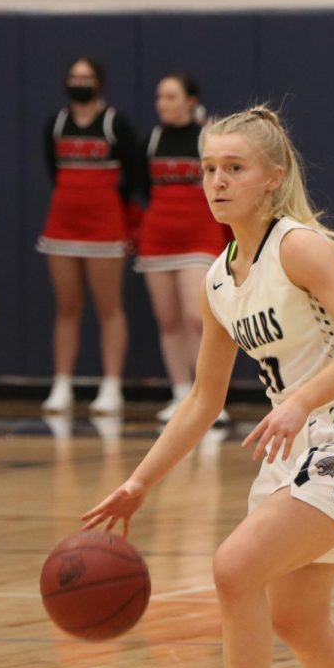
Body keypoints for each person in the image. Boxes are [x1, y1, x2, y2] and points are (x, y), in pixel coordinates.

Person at [82, 106, 334, 668]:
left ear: (272, 177)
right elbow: (204, 401)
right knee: (295, 616)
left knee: (234, 568)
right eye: (209, 168)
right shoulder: (218, 278)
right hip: (293, 446)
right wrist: (140, 483)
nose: (217, 181)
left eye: (234, 168)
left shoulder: (298, 247)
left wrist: (298, 401)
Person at [37, 57, 139, 415]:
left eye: (87, 76)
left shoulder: (114, 123)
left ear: (99, 81)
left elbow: (134, 174)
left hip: (104, 227)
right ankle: (62, 384)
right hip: (62, 225)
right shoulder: (57, 123)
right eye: (74, 76)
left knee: (109, 308)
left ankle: (111, 386)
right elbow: (53, 170)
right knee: (67, 307)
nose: (79, 81)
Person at [134, 73, 230, 423]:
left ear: (191, 100)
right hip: (158, 239)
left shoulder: (209, 140)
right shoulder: (153, 139)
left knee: (196, 316)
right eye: (160, 97)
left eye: (171, 96)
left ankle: (210, 399)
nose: (163, 104)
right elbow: (143, 188)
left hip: (200, 237)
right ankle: (181, 395)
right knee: (169, 321)